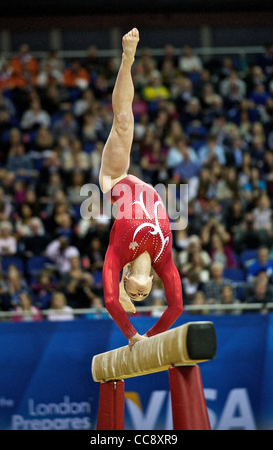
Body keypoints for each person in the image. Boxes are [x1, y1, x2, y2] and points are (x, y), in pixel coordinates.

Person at [98, 29, 183, 349]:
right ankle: (129, 60)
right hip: (148, 190)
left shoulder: (120, 251)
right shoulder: (165, 261)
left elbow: (109, 300)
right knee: (125, 120)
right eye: (141, 293)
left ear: (129, 274)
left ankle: (127, 58)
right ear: (151, 281)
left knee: (122, 120)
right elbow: (176, 307)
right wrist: (149, 337)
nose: (140, 295)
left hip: (116, 181)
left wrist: (133, 336)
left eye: (133, 292)